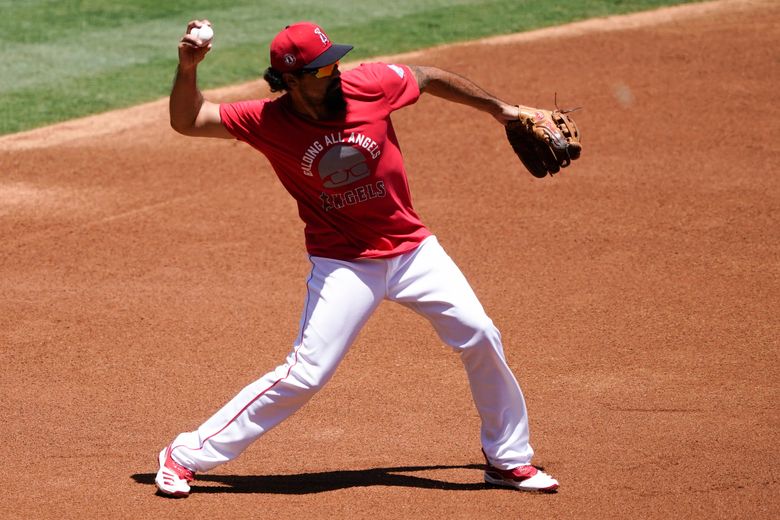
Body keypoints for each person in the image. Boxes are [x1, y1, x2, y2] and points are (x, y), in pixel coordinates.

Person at [155, 19, 559, 497]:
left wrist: (502, 111)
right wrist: (188, 69)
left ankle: (507, 459)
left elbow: (427, 76)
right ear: (291, 79)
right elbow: (188, 120)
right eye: (323, 68)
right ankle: (184, 454)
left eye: (335, 62)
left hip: (413, 250)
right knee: (307, 373)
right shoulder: (267, 121)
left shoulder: (369, 84)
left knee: (480, 333)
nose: (336, 72)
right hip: (343, 263)